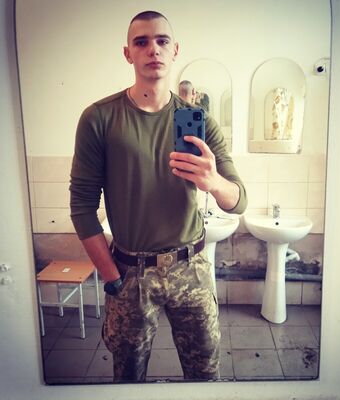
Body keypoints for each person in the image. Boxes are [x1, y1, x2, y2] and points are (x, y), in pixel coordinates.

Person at [69, 10, 247, 383]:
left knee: (205, 376)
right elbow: (82, 206)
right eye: (142, 42)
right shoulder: (99, 118)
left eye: (162, 40)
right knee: (128, 379)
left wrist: (213, 181)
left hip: (192, 268)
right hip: (130, 274)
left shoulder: (199, 120)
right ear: (128, 53)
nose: (153, 49)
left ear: (175, 49)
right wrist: (111, 276)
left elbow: (238, 200)